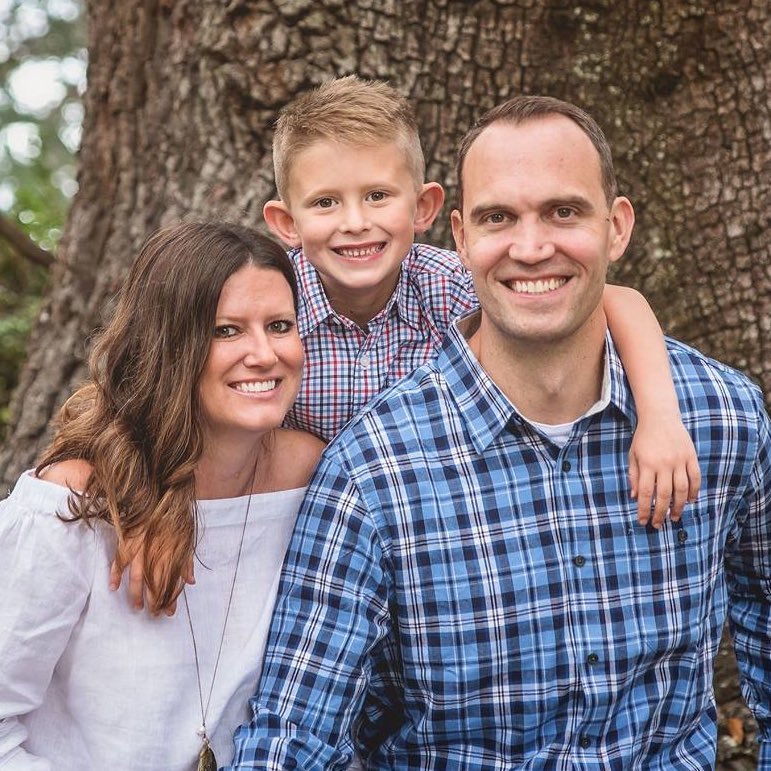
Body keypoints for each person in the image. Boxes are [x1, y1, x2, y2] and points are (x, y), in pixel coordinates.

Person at [226, 97, 771, 769]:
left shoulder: (720, 420)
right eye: (497, 217)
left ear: (616, 227)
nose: (531, 246)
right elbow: (293, 737)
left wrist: (658, 411)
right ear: (460, 236)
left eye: (563, 211)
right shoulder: (365, 468)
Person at [263, 75, 699, 528]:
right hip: (294, 530)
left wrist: (660, 416)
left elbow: (615, 301)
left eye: (377, 196)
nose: (354, 223)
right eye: (325, 203)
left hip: (438, 520)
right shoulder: (269, 301)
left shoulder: (451, 285)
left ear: (423, 208)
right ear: (286, 222)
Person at [0, 222, 326, 769]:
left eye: (279, 325)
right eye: (226, 331)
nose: (264, 354)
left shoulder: (310, 476)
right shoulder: (72, 506)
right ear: (168, 346)